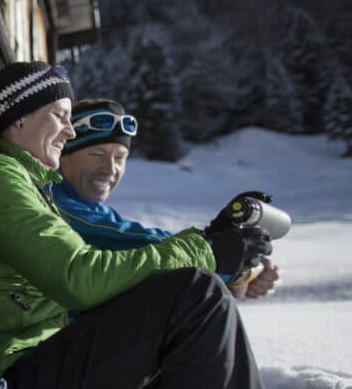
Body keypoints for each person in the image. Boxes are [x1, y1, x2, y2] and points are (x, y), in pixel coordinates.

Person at [0, 61, 287, 389]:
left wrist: (212, 252)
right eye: (61, 116)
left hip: (24, 376)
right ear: (20, 118)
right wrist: (206, 250)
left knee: (184, 310)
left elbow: (106, 265)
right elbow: (78, 277)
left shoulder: (24, 181)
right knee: (193, 294)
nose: (68, 131)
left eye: (119, 158)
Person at [54, 98, 281, 300]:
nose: (110, 169)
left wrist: (238, 274)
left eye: (120, 158)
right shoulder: (56, 203)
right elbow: (137, 243)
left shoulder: (92, 209)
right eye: (97, 154)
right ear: (62, 154)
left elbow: (148, 257)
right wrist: (213, 247)